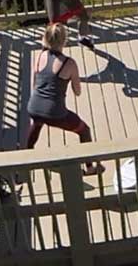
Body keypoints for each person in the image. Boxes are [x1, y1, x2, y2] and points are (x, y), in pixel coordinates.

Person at [25, 23, 103, 174]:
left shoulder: (40, 55)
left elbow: (34, 84)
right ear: (64, 40)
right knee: (84, 130)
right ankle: (90, 167)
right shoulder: (69, 63)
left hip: (33, 106)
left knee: (37, 121)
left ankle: (26, 157)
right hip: (55, 113)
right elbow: (77, 91)